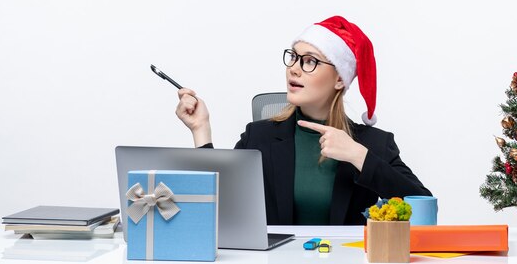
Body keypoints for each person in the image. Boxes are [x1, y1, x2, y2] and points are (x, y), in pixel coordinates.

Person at [175, 15, 432, 225]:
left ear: (340, 79)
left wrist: (358, 156)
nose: (294, 68)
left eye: (310, 61)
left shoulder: (372, 143)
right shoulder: (259, 137)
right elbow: (218, 208)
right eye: (294, 57)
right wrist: (201, 130)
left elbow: (423, 206)